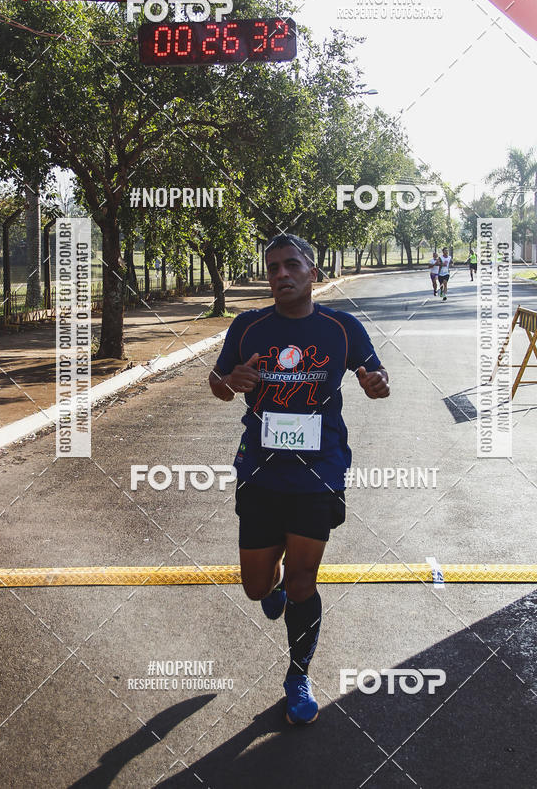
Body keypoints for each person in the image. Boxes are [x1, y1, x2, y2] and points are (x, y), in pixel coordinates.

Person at [209, 233, 390, 725]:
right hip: (261, 473)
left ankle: (297, 675)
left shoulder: (342, 327)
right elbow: (218, 384)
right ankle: (274, 588)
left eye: (292, 265)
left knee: (305, 580)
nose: (281, 275)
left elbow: (376, 378)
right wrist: (231, 383)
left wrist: (377, 384)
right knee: (254, 588)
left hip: (320, 471)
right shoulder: (248, 327)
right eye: (272, 268)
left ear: (314, 272)